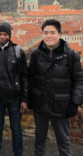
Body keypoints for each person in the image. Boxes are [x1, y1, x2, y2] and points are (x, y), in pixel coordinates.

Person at [28, 19, 83, 156]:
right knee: (39, 139)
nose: (49, 36)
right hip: (40, 103)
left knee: (63, 141)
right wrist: (28, 98)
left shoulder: (71, 55)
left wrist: (75, 102)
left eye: (52, 32)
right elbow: (30, 78)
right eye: (46, 33)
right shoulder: (36, 54)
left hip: (61, 104)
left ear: (59, 34)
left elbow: (79, 81)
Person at [0, 22, 29, 156]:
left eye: (5, 34)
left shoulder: (17, 51)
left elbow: (24, 77)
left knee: (16, 128)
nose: (2, 37)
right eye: (0, 34)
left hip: (14, 97)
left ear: (10, 35)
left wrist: (25, 99)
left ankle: (18, 153)